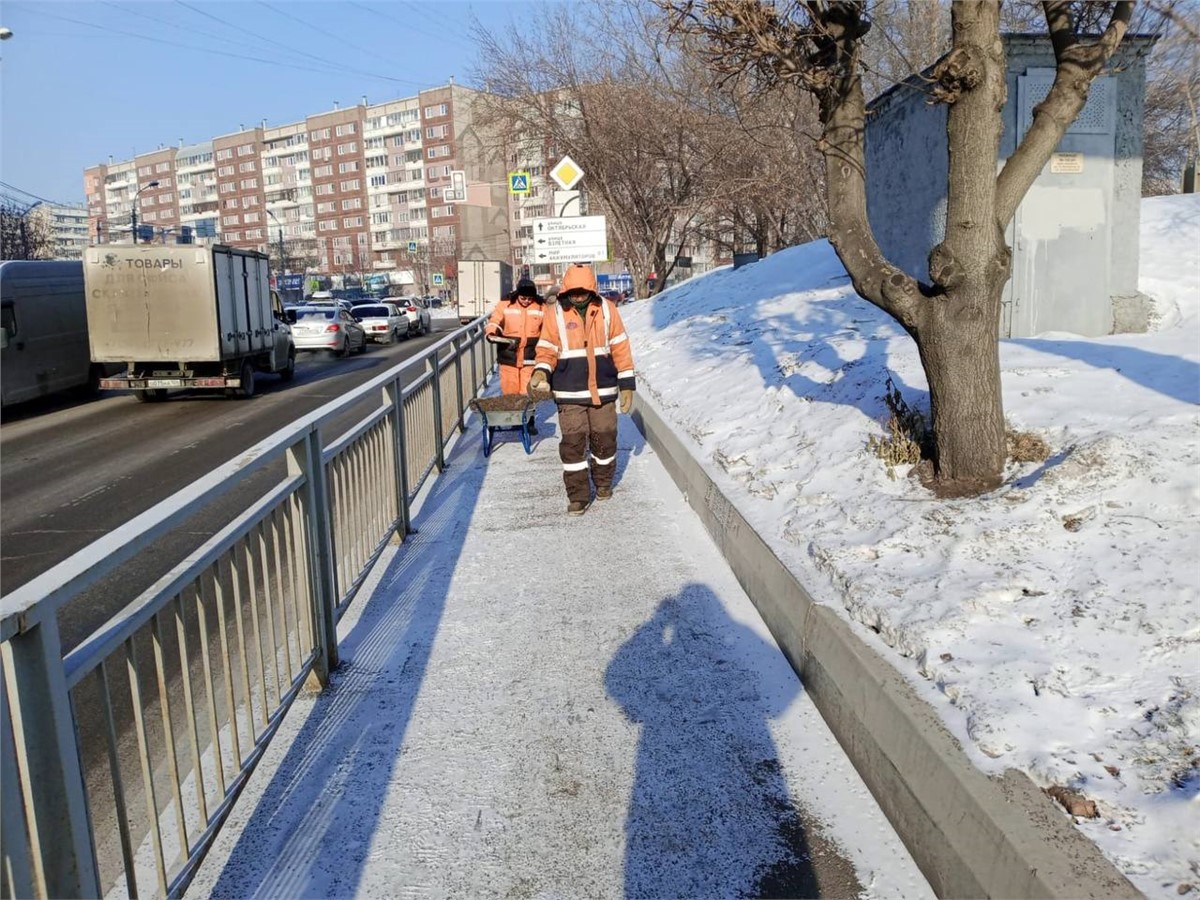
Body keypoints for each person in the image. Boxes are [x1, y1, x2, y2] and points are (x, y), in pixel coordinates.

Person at [529, 263, 635, 515]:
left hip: (604, 390)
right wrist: (541, 370)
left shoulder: (607, 311)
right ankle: (577, 496)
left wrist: (627, 384)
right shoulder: (554, 314)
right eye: (573, 291)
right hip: (570, 393)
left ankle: (603, 483)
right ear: (566, 290)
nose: (577, 295)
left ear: (591, 290)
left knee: (605, 439)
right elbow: (546, 349)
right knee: (574, 445)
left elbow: (620, 347)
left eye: (582, 291)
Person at [485, 277, 545, 432]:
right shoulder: (506, 304)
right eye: (523, 298)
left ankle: (529, 421)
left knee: (528, 391)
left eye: (529, 298)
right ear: (517, 294)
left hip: (530, 355)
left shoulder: (540, 306)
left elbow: (548, 327)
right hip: (509, 354)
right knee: (510, 389)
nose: (526, 301)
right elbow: (495, 321)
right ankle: (516, 420)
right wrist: (492, 332)